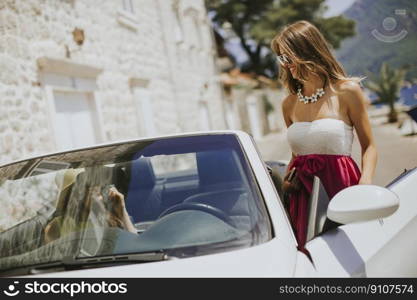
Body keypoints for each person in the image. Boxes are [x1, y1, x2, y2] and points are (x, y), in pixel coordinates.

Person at [270, 21, 378, 255]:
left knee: (352, 253)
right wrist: (286, 184)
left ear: (307, 52)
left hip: (342, 186)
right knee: (310, 256)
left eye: (289, 58)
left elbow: (369, 146)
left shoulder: (347, 91)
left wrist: (365, 185)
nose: (287, 66)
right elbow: (295, 155)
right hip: (302, 197)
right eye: (282, 59)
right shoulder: (289, 103)